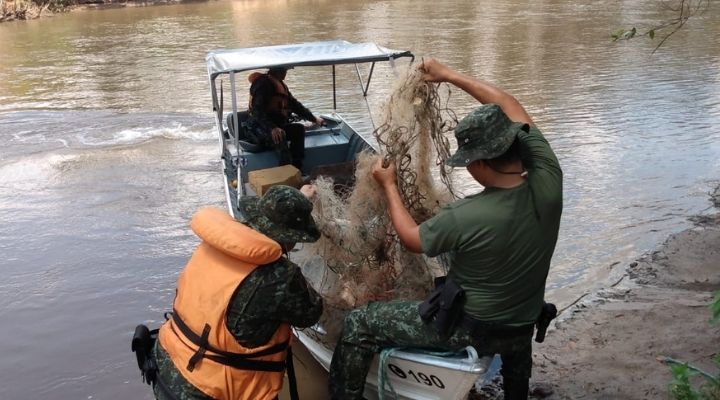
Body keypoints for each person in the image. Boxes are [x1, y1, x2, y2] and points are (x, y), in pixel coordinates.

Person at [327, 58, 563, 400]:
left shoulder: (466, 214)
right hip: (523, 323)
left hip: (471, 329)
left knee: (359, 322)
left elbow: (412, 239)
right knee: (515, 344)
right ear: (515, 145)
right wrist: (449, 75)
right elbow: (509, 104)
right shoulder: (549, 182)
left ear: (479, 164)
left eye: (467, 161)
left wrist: (390, 185)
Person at [152, 184, 323, 400]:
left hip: (167, 365)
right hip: (210, 390)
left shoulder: (215, 244)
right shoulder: (280, 275)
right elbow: (309, 314)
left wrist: (297, 198)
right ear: (288, 238)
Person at [244, 66, 324, 171]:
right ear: (277, 70)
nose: (286, 73)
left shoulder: (279, 84)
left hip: (276, 125)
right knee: (280, 136)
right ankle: (285, 173)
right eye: (285, 70)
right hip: (256, 128)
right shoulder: (263, 85)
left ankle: (297, 169)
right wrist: (272, 128)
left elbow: (295, 105)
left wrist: (314, 119)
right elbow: (256, 111)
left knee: (298, 130)